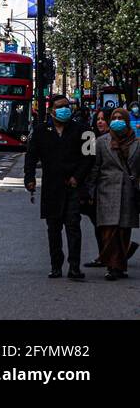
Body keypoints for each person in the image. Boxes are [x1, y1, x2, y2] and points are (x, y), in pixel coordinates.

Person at [24, 95, 92, 280]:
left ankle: (74, 267)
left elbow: (89, 157)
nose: (65, 109)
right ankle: (56, 266)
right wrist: (29, 179)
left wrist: (77, 177)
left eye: (67, 106)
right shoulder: (40, 131)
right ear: (51, 110)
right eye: (60, 106)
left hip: (72, 186)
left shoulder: (83, 130)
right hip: (51, 188)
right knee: (53, 229)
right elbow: (30, 156)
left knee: (73, 227)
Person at [84, 108, 140, 280]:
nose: (117, 120)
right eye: (114, 118)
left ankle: (119, 266)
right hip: (106, 191)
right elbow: (95, 168)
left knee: (123, 231)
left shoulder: (137, 143)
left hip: (128, 192)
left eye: (119, 118)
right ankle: (112, 266)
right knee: (108, 231)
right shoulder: (100, 142)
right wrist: (90, 191)